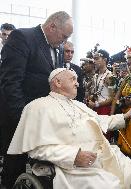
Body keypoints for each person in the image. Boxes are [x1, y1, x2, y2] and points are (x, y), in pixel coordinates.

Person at [7, 68, 131, 189]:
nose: (77, 83)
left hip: (104, 156)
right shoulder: (37, 107)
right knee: (108, 185)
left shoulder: (79, 105)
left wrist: (125, 116)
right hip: (72, 167)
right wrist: (74, 156)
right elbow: (36, 149)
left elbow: (100, 121)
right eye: (72, 79)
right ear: (58, 82)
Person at [0, 11, 73, 188]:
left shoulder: (56, 47)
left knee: (39, 167)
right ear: (52, 26)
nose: (64, 42)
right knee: (15, 166)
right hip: (19, 118)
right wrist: (24, 118)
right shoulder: (23, 37)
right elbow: (11, 82)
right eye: (63, 37)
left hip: (42, 119)